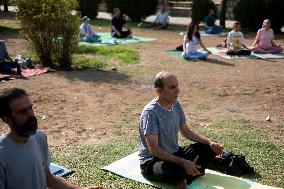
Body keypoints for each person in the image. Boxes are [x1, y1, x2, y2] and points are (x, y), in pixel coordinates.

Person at [0, 88, 103, 189]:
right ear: (7, 119)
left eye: (31, 108)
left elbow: (48, 178)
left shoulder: (39, 138)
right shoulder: (2, 154)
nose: (31, 115)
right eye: (22, 112)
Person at [138, 71, 224, 189]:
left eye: (177, 86)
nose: (178, 90)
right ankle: (186, 173)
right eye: (173, 87)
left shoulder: (176, 105)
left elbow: (186, 132)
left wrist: (210, 142)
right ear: (159, 91)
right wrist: (182, 162)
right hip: (153, 161)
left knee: (208, 148)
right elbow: (154, 150)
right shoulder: (150, 112)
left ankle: (187, 172)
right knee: (175, 170)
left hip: (175, 153)